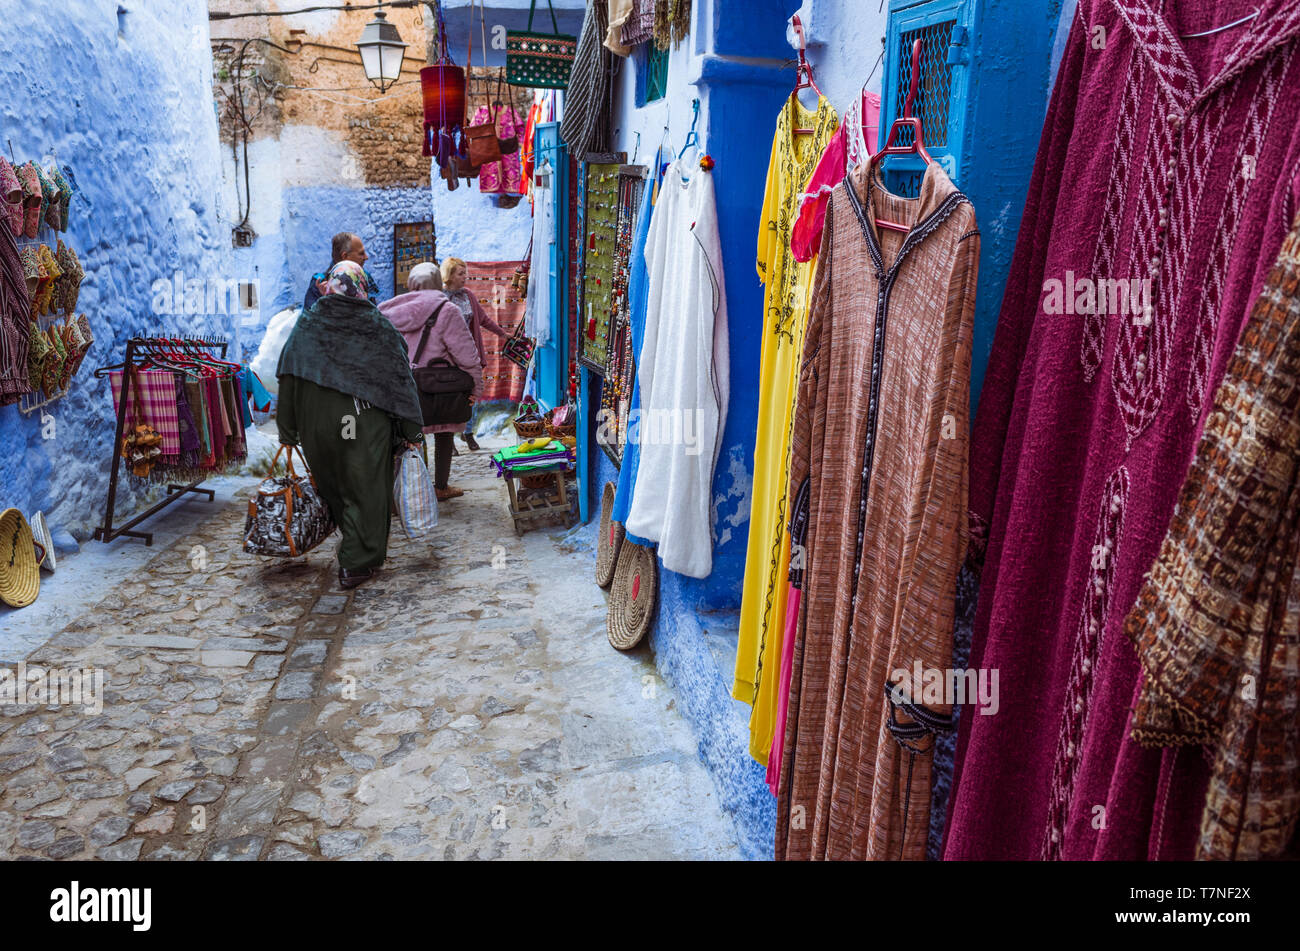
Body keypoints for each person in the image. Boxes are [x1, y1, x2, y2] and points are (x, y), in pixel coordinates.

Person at [277, 260, 425, 590]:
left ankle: (354, 546)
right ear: (360, 286)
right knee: (367, 489)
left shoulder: (309, 323)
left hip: (318, 425)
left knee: (336, 487)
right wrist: (411, 429)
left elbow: (289, 372)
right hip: (360, 422)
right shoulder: (373, 324)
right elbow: (400, 379)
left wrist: (287, 430)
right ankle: (357, 561)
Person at [380, 264, 483, 502]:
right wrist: (476, 387)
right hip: (438, 387)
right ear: (438, 282)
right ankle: (440, 487)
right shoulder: (447, 311)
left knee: (408, 438)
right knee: (444, 433)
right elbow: (466, 354)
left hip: (403, 387)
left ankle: (412, 491)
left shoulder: (389, 311)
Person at [441, 257, 509, 451]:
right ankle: (450, 438)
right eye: (461, 273)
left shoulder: (468, 295)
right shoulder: (439, 296)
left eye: (466, 273)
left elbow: (483, 319)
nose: (465, 277)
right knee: (449, 396)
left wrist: (503, 334)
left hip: (469, 353)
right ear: (450, 275)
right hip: (447, 356)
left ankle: (468, 433)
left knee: (471, 393)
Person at [303, 232, 380, 311]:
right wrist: (326, 300)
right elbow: (310, 319)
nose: (366, 257)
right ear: (345, 256)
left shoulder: (364, 278)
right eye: (361, 254)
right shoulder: (320, 284)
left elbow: (372, 315)